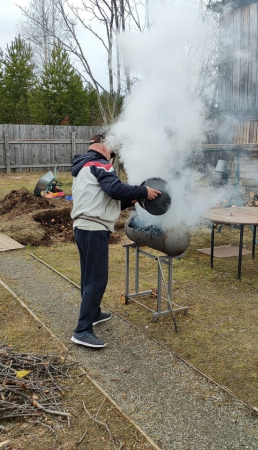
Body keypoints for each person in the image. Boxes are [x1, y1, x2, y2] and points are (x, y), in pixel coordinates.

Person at [70, 134, 160, 348]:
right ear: (103, 146)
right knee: (97, 279)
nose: (111, 158)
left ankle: (93, 314)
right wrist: (143, 191)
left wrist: (131, 199)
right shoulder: (100, 163)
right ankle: (82, 330)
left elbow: (104, 199)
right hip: (93, 228)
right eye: (111, 152)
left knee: (88, 275)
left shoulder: (84, 166)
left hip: (84, 226)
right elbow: (114, 189)